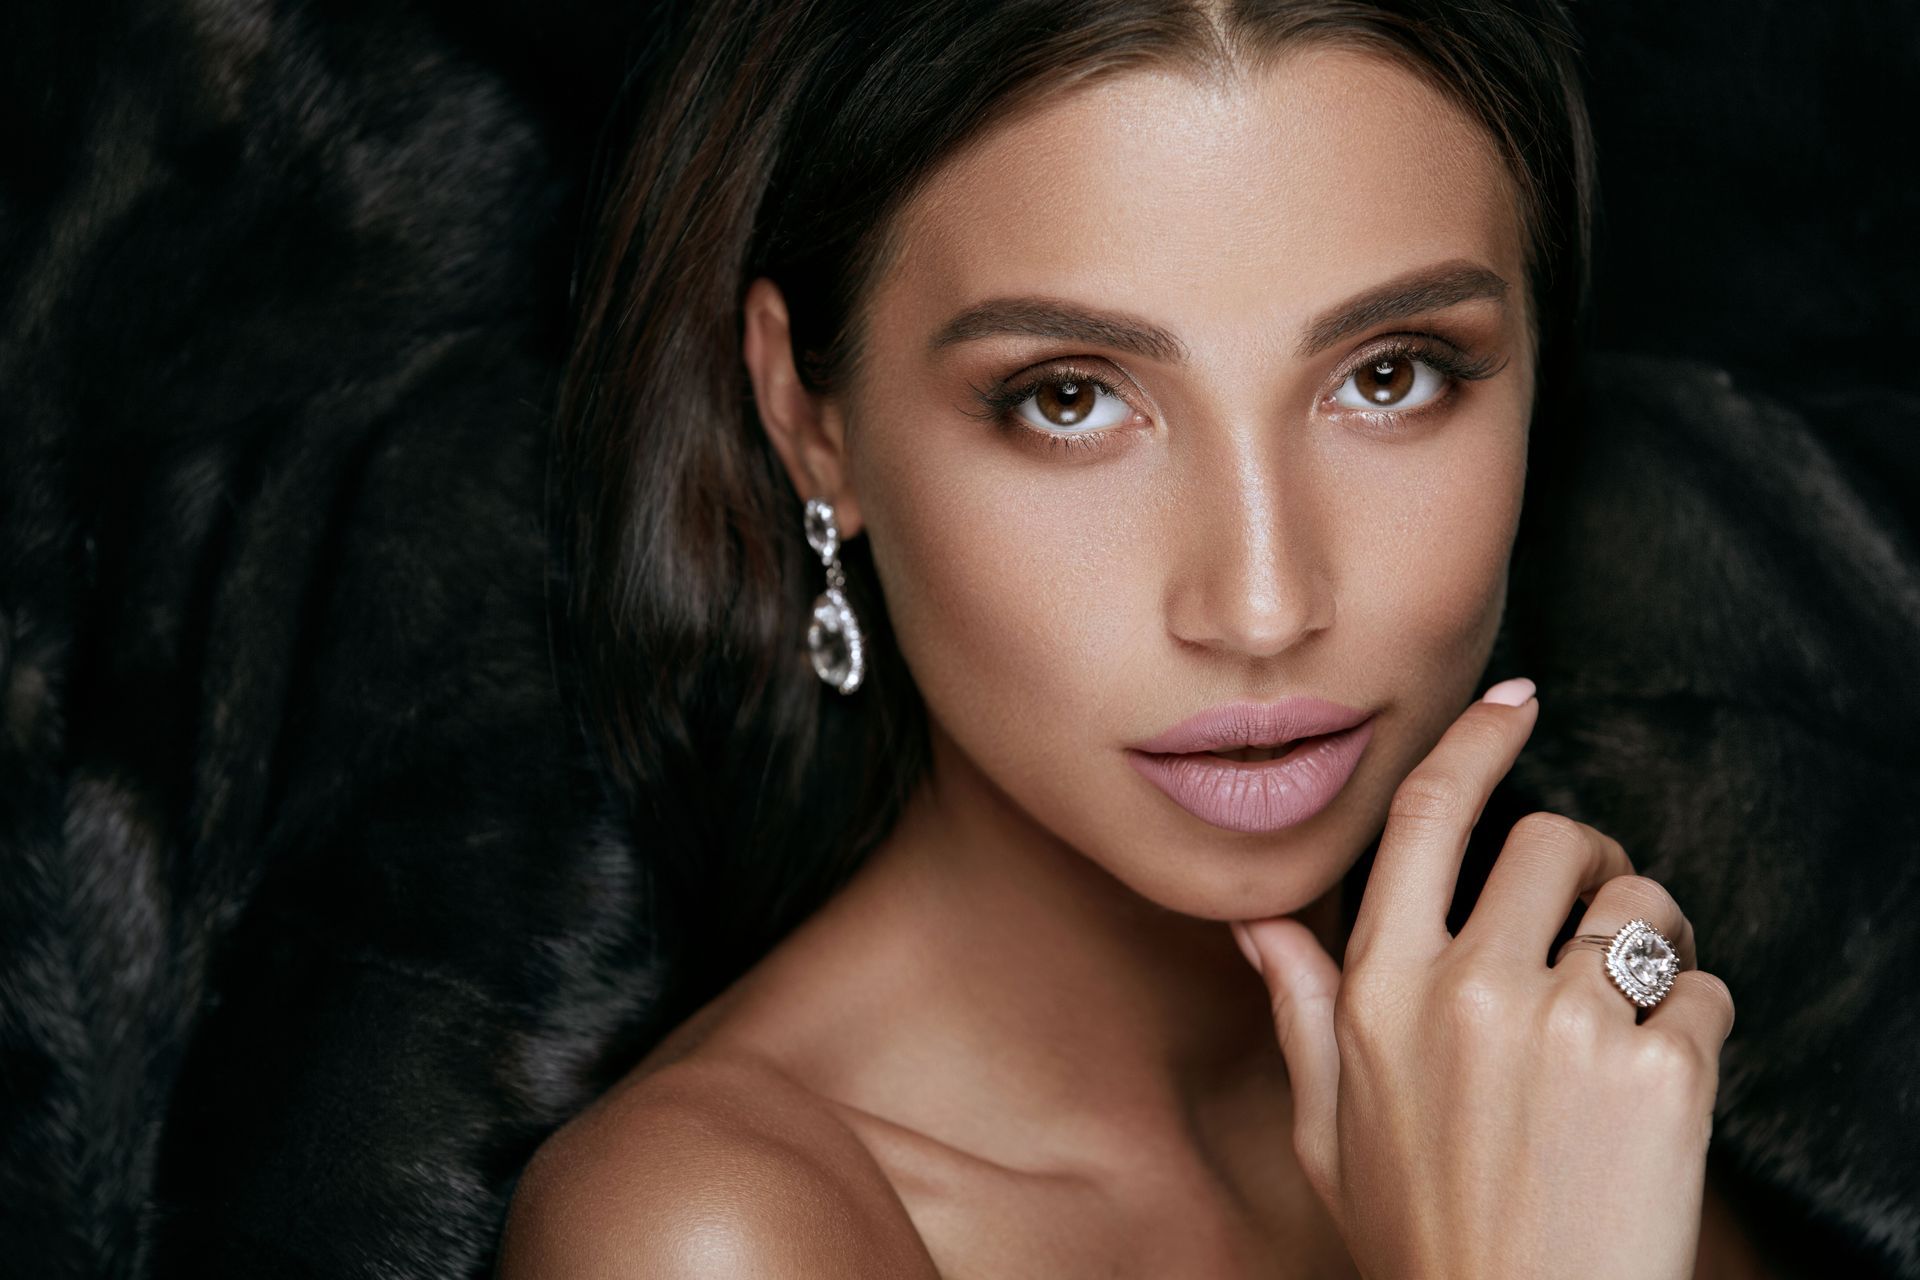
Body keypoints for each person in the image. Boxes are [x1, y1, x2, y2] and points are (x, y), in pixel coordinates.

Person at [499, 1, 1769, 1274]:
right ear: (810, 422)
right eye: (1071, 398)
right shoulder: (708, 1230)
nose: (1265, 605)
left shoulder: (1576, 1080)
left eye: (1392, 374)